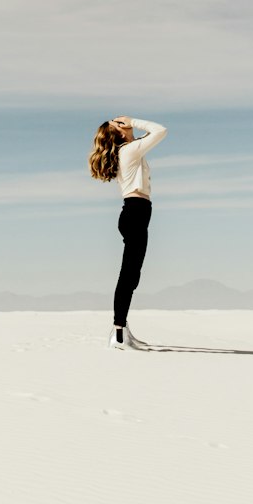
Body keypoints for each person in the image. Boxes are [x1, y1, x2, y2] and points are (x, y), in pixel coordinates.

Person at [87, 115, 168, 350]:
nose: (123, 122)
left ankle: (122, 330)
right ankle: (119, 334)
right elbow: (160, 130)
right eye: (118, 123)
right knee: (129, 275)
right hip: (135, 212)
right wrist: (133, 120)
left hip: (136, 213)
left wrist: (130, 127)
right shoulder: (129, 150)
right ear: (120, 132)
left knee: (131, 275)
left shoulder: (130, 149)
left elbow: (151, 135)